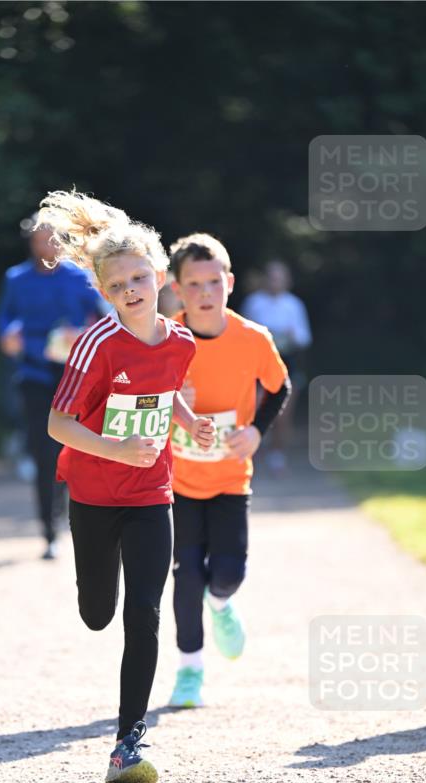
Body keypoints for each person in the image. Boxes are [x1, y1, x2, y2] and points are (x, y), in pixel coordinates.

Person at [40, 192, 216, 783]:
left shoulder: (182, 342)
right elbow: (57, 424)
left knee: (144, 611)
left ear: (160, 277)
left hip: (150, 493)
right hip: (93, 493)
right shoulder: (97, 344)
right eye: (118, 285)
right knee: (98, 614)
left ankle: (126, 745)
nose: (132, 290)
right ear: (104, 292)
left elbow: (164, 395)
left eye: (140, 277)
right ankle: (95, 586)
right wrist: (115, 449)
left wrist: (189, 421)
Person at [167, 234, 291, 709]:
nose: (205, 293)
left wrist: (257, 432)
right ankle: (190, 670)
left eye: (213, 282)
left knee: (228, 573)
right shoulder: (165, 340)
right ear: (177, 289)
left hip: (229, 479)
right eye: (194, 284)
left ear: (230, 283)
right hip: (177, 482)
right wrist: (172, 403)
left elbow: (280, 388)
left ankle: (220, 603)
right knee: (186, 578)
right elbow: (138, 399)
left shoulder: (253, 338)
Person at [0, 215, 106, 558]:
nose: (45, 247)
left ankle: (84, 523)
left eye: (51, 240)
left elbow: (105, 319)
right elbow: (5, 319)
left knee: (80, 451)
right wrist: (7, 336)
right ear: (30, 243)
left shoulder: (81, 278)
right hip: (35, 376)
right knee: (44, 455)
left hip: (76, 376)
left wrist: (82, 333)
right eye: (38, 241)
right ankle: (49, 532)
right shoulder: (16, 278)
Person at [241, 260, 312, 471]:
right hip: (257, 365)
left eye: (279, 278)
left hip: (286, 363)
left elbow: (304, 337)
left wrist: (291, 334)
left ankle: (277, 454)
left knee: (283, 413)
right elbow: (242, 333)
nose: (275, 282)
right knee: (252, 409)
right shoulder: (254, 303)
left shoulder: (294, 305)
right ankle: (250, 453)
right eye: (272, 278)